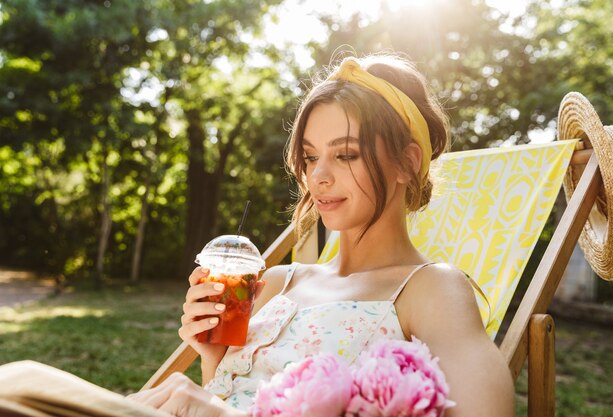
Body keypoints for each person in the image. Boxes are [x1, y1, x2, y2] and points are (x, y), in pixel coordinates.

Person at [128, 54, 516, 417]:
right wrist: (214, 356)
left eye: (346, 154)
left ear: (407, 163)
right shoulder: (275, 284)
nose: (318, 176)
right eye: (311, 157)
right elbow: (237, 396)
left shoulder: (431, 290)